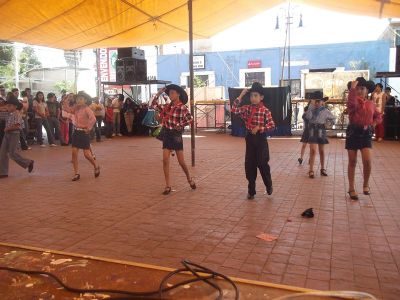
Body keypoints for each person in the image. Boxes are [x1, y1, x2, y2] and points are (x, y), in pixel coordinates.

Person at [231, 82, 275, 199]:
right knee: (249, 164)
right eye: (251, 96)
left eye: (256, 96)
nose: (253, 98)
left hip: (261, 139)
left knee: (262, 163)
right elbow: (234, 110)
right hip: (250, 138)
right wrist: (241, 96)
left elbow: (272, 125)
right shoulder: (246, 108)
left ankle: (268, 185)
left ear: (261, 97)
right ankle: (251, 190)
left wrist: (261, 128)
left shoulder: (265, 111)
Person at [152, 84, 196, 195]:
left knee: (181, 162)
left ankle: (189, 178)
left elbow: (190, 119)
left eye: (172, 93)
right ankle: (167, 185)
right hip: (167, 134)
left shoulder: (182, 107)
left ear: (178, 94)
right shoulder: (167, 107)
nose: (170, 95)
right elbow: (153, 105)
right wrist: (158, 93)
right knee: (165, 160)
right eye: (169, 93)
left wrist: (180, 125)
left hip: (176, 136)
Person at [346, 77, 382, 200]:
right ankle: (351, 188)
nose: (360, 91)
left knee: (367, 160)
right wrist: (352, 89)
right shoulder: (353, 102)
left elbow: (378, 116)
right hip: (353, 133)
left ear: (367, 91)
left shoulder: (371, 104)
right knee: (352, 161)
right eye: (358, 89)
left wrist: (374, 123)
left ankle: (366, 184)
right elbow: (351, 103)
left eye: (362, 89)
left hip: (366, 133)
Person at [62, 91, 100, 181]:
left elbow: (93, 119)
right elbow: (67, 110)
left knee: (87, 154)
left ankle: (96, 166)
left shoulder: (87, 109)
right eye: (78, 99)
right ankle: (76, 173)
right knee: (74, 152)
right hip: (76, 132)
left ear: (85, 100)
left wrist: (88, 128)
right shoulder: (76, 108)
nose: (79, 100)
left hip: (84, 133)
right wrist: (65, 101)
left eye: (81, 99)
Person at [0, 94, 34, 178]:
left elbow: (17, 126)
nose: (7, 107)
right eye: (7, 106)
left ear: (15, 106)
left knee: (12, 154)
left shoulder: (17, 114)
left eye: (9, 106)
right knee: (2, 153)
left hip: (14, 135)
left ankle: (28, 162)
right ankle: (3, 172)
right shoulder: (8, 114)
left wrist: (7, 129)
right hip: (7, 135)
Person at [304, 92, 335, 178]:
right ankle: (311, 170)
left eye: (319, 101)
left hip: (321, 130)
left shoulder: (325, 111)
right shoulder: (310, 109)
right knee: (313, 150)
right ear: (313, 102)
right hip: (312, 130)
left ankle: (322, 169)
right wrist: (310, 106)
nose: (317, 103)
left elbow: (333, 119)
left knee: (321, 150)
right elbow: (308, 118)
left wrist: (328, 124)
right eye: (315, 101)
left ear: (322, 102)